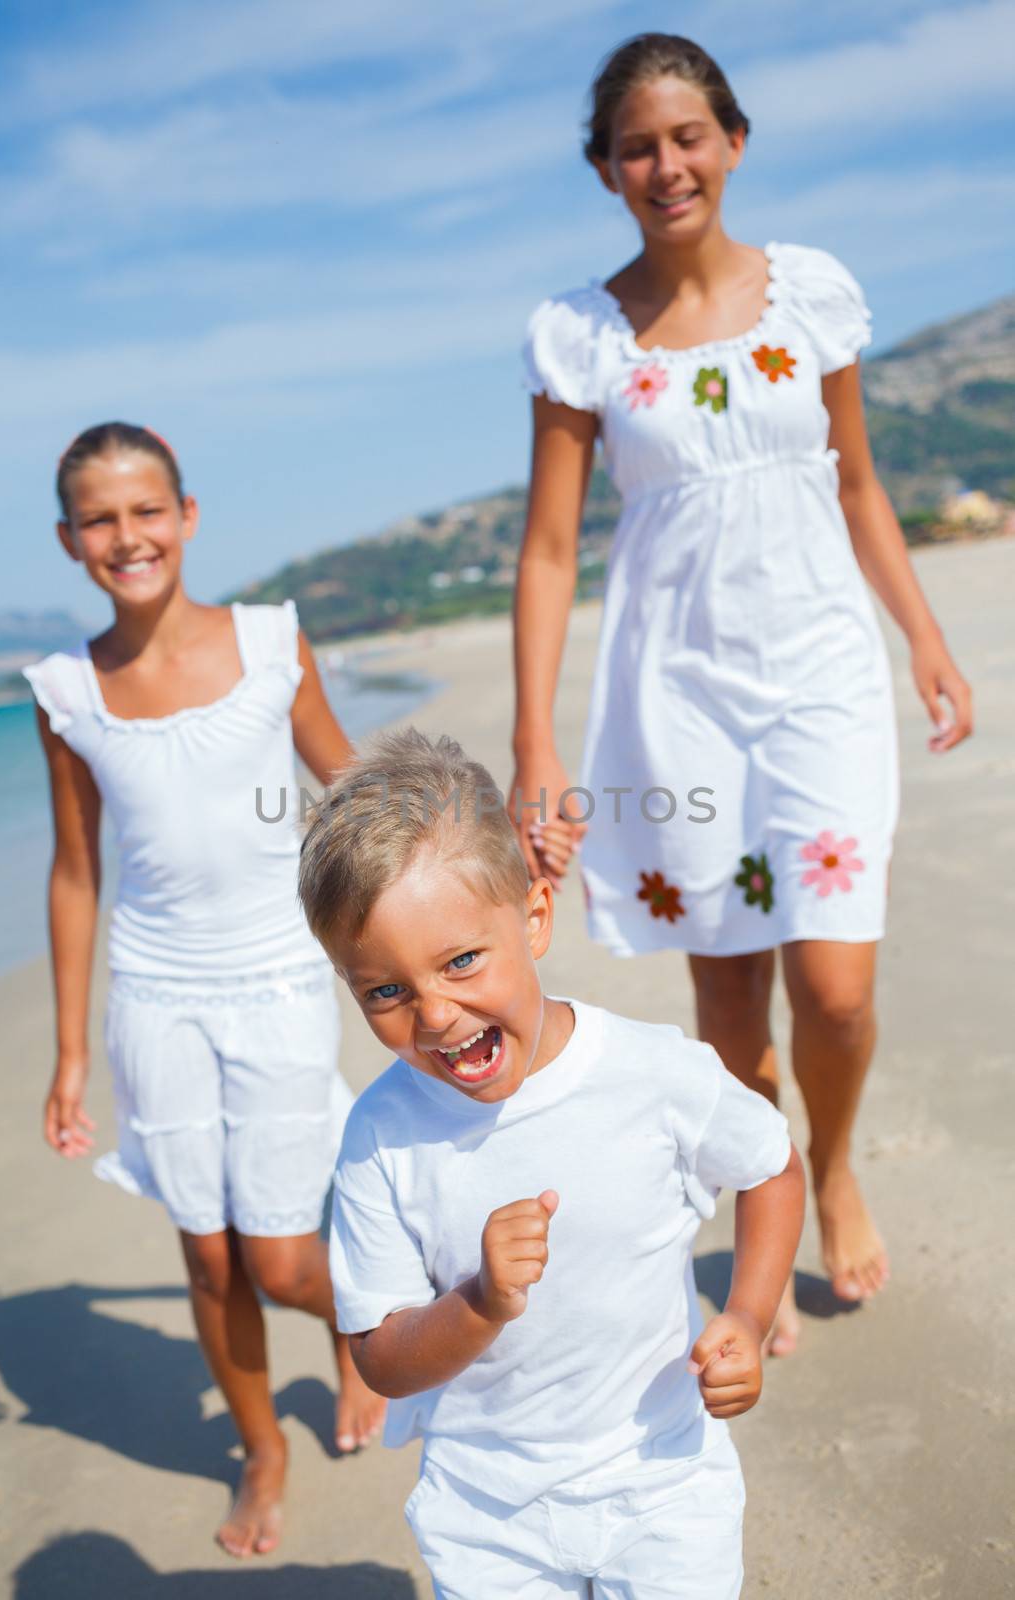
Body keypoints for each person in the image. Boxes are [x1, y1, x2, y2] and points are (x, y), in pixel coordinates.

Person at [509, 33, 972, 1354]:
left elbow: (856, 483)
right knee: (725, 1004)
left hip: (817, 674)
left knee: (829, 991)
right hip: (674, 694)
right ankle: (768, 1193)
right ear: (604, 169)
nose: (665, 165)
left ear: (731, 141)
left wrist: (923, 639)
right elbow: (546, 550)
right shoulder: (580, 337)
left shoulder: (809, 294)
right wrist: (533, 733)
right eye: (636, 146)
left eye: (686, 136)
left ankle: (829, 1163)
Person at [298, 729, 805, 1599]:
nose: (435, 1014)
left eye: (461, 962)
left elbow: (769, 1166)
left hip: (662, 1477)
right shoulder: (378, 1137)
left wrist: (749, 1316)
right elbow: (380, 1357)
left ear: (532, 918)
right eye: (385, 991)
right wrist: (479, 1303)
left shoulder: (649, 1073)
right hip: (487, 1512)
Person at [24, 423, 384, 1559]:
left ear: (185, 514)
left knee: (281, 1259)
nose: (125, 536)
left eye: (145, 510)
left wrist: (458, 866)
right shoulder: (65, 690)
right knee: (209, 1254)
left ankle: (367, 1328)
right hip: (154, 994)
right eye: (98, 518)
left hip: (277, 973)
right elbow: (77, 871)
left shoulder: (273, 642)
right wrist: (71, 1052)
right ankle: (262, 1451)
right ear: (69, 540)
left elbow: (352, 785)